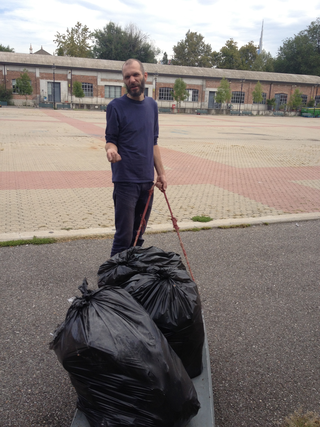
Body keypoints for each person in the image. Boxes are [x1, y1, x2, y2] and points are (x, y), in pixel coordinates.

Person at [105, 58, 167, 257]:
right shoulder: (115, 107)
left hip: (146, 182)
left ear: (144, 77)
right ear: (124, 81)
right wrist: (110, 150)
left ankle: (131, 277)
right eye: (127, 77)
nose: (132, 79)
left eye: (135, 75)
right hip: (125, 182)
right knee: (123, 237)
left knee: (138, 235)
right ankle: (111, 281)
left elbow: (154, 142)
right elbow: (110, 140)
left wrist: (162, 174)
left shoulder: (152, 106)